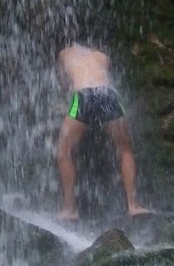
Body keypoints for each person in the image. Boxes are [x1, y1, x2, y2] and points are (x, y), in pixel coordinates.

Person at [56, 41, 148, 220]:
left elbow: (64, 83)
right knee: (125, 149)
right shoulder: (102, 57)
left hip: (83, 96)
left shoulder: (65, 53)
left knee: (63, 151)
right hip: (108, 95)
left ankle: (70, 209)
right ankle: (133, 205)